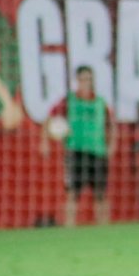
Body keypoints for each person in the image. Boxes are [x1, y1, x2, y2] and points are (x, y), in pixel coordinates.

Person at [42, 66, 115, 226]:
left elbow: (111, 124)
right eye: (82, 79)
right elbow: (49, 117)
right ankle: (70, 226)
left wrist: (112, 144)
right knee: (72, 192)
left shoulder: (100, 102)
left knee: (101, 193)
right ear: (77, 81)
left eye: (88, 79)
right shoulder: (69, 100)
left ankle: (104, 227)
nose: (86, 82)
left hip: (97, 151)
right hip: (75, 150)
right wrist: (45, 141)